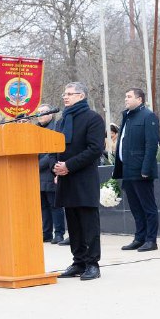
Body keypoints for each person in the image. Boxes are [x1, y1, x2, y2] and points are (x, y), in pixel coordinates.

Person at [53, 82, 106, 281]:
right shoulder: (61, 121)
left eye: (70, 94)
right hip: (65, 179)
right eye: (64, 94)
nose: (65, 97)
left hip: (83, 178)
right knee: (73, 223)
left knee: (88, 222)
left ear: (81, 96)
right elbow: (53, 148)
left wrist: (69, 165)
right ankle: (78, 261)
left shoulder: (93, 119)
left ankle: (92, 263)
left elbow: (94, 149)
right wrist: (55, 167)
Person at [113, 88, 160, 252]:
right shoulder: (127, 116)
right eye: (125, 96)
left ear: (139, 99)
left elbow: (152, 144)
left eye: (129, 96)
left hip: (141, 170)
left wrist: (146, 168)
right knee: (135, 207)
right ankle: (139, 238)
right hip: (127, 169)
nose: (125, 99)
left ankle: (151, 240)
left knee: (148, 207)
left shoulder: (148, 116)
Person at [36, 104, 65, 244]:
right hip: (36, 175)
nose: (40, 115)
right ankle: (46, 233)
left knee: (55, 205)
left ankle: (59, 233)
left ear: (51, 114)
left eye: (43, 112)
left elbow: (52, 152)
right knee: (43, 206)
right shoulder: (34, 130)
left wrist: (37, 165)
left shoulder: (55, 128)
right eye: (39, 113)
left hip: (50, 172)